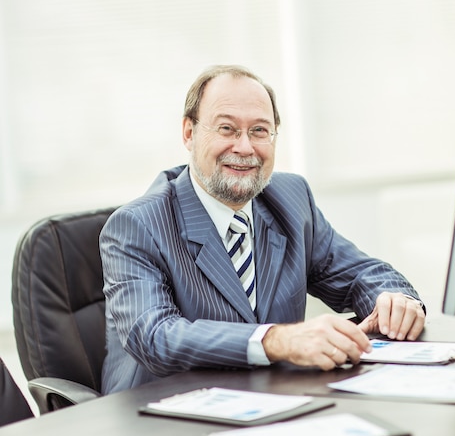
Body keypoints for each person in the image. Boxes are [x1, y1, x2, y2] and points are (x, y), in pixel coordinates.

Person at [100, 64, 426, 394]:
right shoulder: (138, 225)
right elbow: (156, 337)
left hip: (273, 401)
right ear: (189, 133)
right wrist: (277, 340)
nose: (245, 148)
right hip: (164, 412)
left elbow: (359, 273)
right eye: (227, 128)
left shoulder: (290, 198)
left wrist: (392, 301)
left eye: (259, 131)